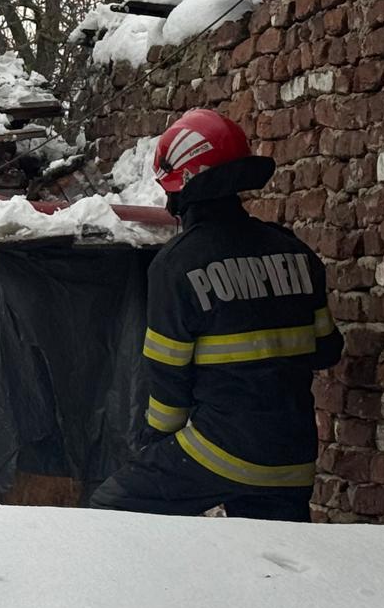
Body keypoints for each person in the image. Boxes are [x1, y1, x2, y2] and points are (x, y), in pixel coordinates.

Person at [90, 109, 344, 521]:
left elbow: (169, 380)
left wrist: (155, 442)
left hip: (221, 450)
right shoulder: (296, 253)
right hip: (292, 460)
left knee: (113, 506)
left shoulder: (177, 265)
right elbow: (327, 349)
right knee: (269, 564)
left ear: (182, 187)